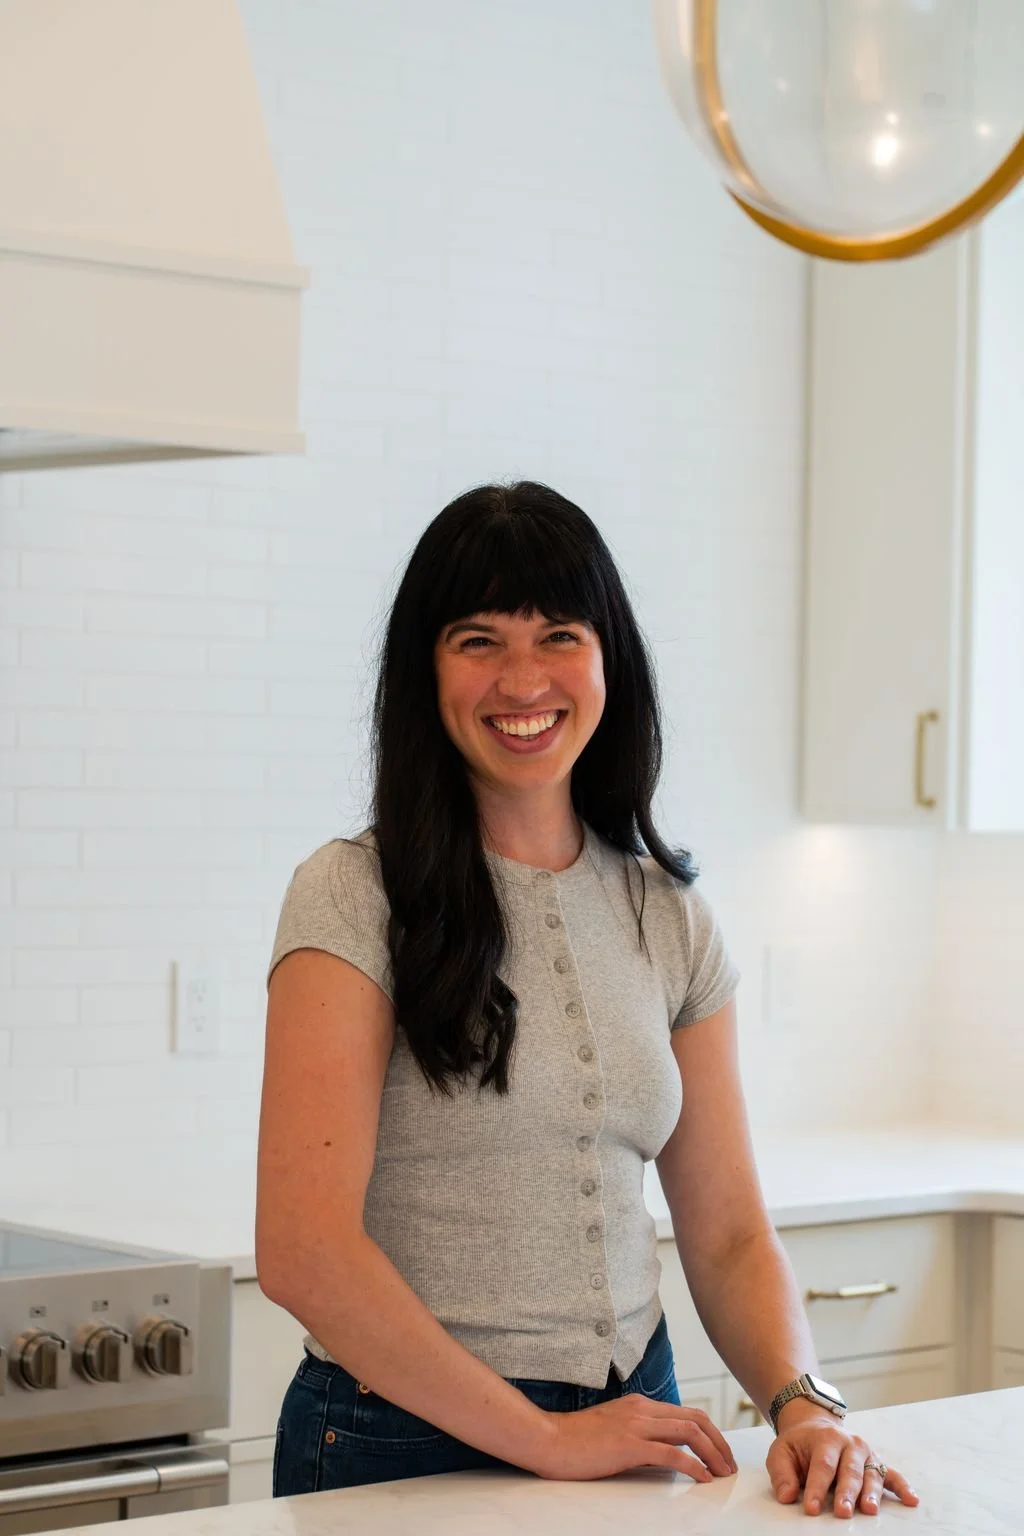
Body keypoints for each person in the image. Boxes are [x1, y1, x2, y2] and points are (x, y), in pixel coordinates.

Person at [256, 481, 919, 1518]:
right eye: (478, 640)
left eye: (559, 635)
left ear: (610, 659)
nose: (522, 679)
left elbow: (729, 1232)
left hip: (631, 1423)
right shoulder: (351, 894)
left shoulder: (669, 915)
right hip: (399, 1441)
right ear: (425, 671)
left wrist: (805, 1406)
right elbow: (306, 1252)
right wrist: (547, 1440)